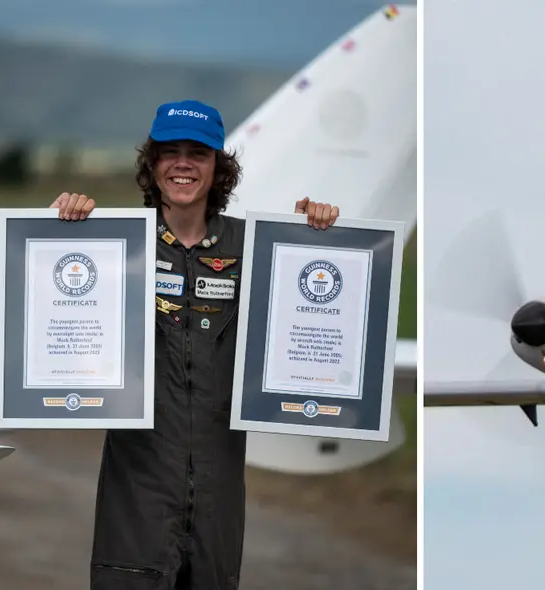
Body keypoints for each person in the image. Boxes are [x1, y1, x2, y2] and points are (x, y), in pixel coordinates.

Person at [50, 99, 340, 589]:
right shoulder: (114, 247)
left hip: (217, 499)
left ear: (217, 167)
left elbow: (315, 308)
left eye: (198, 153)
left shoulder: (258, 251)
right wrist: (62, 229)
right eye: (170, 151)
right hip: (136, 493)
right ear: (153, 164)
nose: (182, 163)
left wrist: (317, 237)